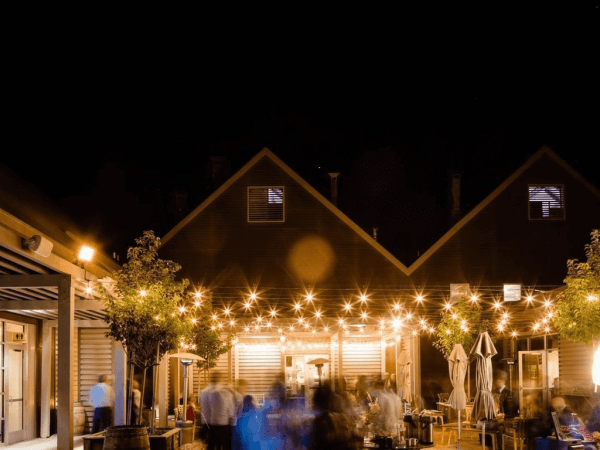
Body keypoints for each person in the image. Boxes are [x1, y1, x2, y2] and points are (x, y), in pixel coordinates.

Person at [200, 372, 236, 450]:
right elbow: (231, 412)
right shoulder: (225, 393)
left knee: (211, 446)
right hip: (223, 425)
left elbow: (204, 411)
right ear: (220, 379)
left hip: (207, 425)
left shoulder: (203, 392)